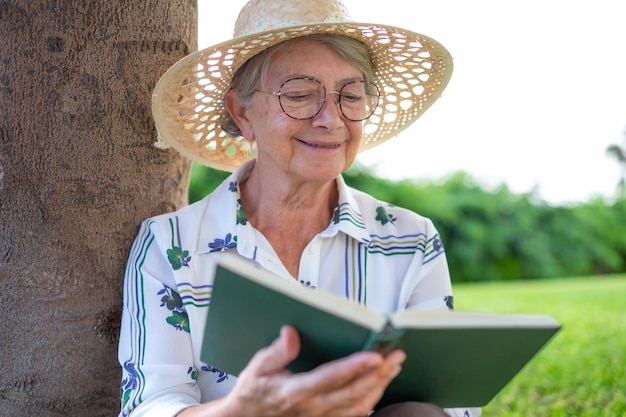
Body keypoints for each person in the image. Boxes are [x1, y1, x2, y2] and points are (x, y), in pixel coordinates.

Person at [118, 0, 481, 416]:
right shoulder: (170, 244)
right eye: (300, 95)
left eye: (351, 95)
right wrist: (242, 409)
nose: (330, 119)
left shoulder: (410, 239)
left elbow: (452, 402)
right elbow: (150, 406)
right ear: (242, 113)